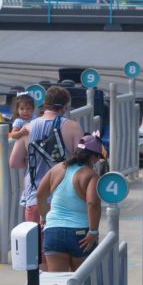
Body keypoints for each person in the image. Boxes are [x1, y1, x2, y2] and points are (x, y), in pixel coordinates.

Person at [8, 85, 84, 225]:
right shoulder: (73, 127)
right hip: (65, 198)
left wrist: (31, 162)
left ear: (45, 104)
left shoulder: (27, 128)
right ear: (64, 107)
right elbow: (81, 160)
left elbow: (14, 162)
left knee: (35, 243)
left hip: (34, 197)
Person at [35, 134, 104, 272]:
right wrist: (93, 231)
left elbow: (40, 195)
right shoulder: (91, 175)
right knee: (82, 283)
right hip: (80, 233)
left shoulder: (57, 168)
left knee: (57, 283)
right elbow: (92, 203)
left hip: (53, 231)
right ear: (93, 157)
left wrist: (44, 216)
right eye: (98, 158)